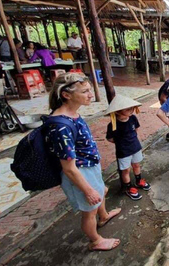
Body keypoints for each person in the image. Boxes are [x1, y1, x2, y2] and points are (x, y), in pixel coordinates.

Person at [46, 73, 121, 251]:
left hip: (89, 166)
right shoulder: (60, 126)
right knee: (89, 210)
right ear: (66, 94)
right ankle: (96, 240)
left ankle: (103, 216)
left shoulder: (72, 114)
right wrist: (87, 190)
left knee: (101, 192)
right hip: (80, 172)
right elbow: (69, 169)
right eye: (85, 91)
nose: (90, 95)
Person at [105, 95, 151, 201]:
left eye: (132, 108)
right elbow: (110, 138)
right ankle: (129, 187)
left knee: (136, 165)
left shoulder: (133, 118)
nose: (131, 110)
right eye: (128, 109)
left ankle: (139, 181)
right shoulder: (112, 124)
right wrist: (121, 143)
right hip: (123, 151)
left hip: (135, 147)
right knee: (125, 170)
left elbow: (136, 130)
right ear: (118, 111)